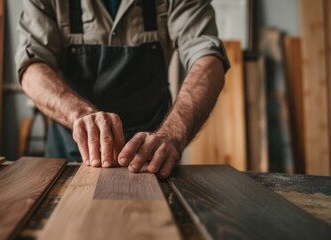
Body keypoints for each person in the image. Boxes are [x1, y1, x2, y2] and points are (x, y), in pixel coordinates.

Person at [15, 0, 230, 178]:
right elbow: (31, 66)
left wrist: (172, 135)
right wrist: (80, 114)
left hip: (151, 160)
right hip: (69, 152)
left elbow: (208, 59)